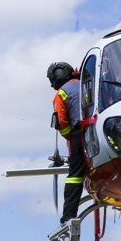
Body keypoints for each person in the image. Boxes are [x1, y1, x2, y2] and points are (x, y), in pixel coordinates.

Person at [49, 61, 85, 224]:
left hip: (80, 135)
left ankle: (69, 216)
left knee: (75, 176)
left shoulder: (62, 93)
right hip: (104, 131)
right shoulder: (88, 83)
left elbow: (62, 122)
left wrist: (70, 137)